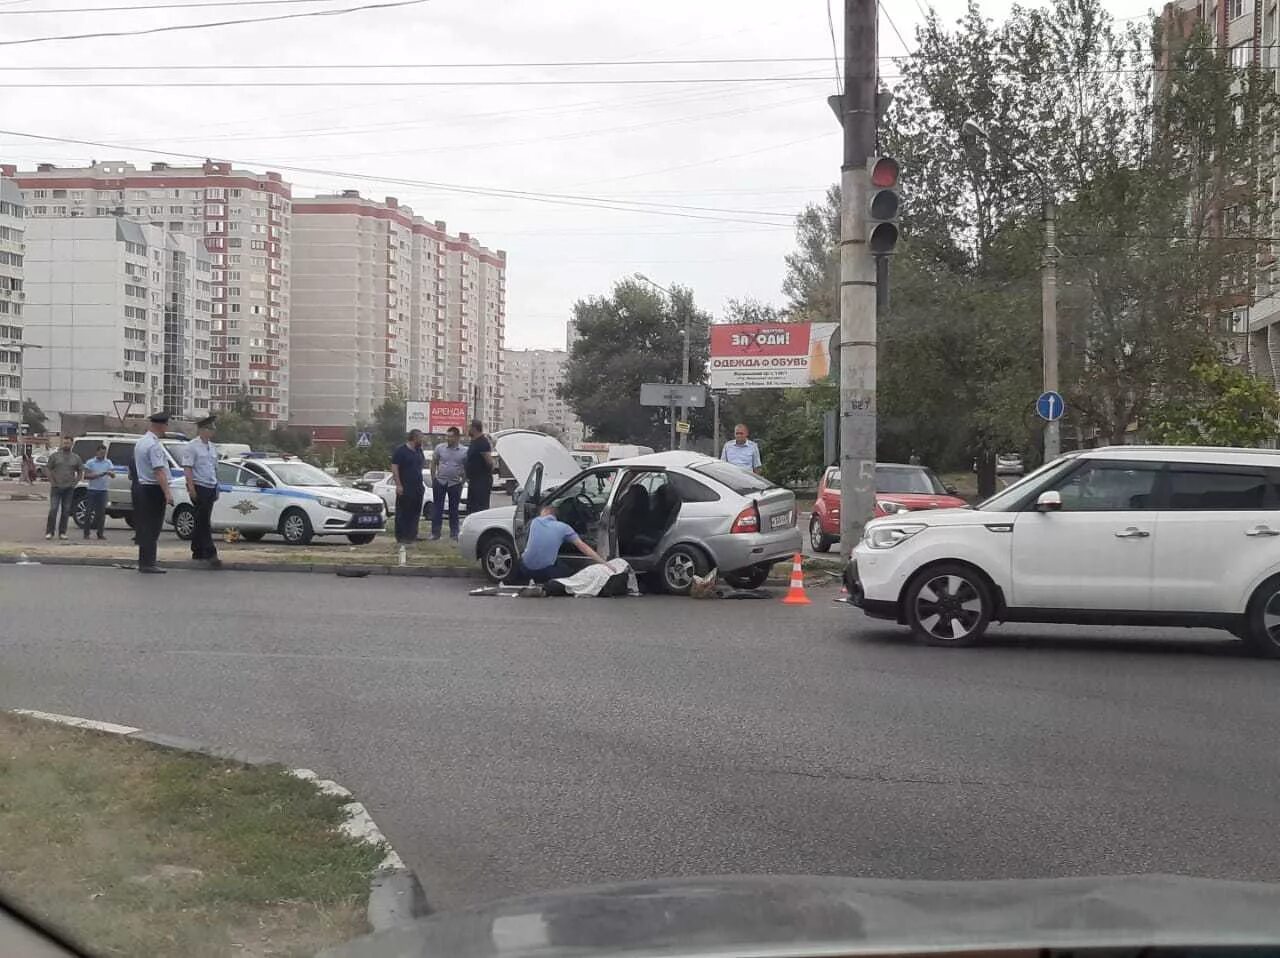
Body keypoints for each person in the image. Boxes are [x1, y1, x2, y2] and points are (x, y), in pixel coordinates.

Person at [509, 503, 608, 583]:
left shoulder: (534, 522)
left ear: (546, 512)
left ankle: (516, 582)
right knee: (572, 573)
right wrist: (604, 563)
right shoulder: (564, 527)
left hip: (525, 569)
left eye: (541, 512)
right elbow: (584, 547)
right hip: (546, 572)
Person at [133, 412, 174, 574]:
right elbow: (159, 471)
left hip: (142, 487)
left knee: (145, 526)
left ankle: (144, 561)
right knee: (153, 527)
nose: (166, 428)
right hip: (153, 489)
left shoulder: (141, 442)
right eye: (166, 425)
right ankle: (149, 562)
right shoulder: (154, 445)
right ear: (161, 425)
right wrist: (167, 493)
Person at [182, 415, 222, 569]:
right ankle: (211, 552)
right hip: (199, 486)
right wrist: (191, 487)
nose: (213, 431)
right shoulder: (192, 446)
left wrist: (217, 486)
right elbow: (188, 468)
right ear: (203, 430)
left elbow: (214, 468)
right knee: (204, 521)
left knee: (201, 519)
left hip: (211, 486)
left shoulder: (212, 447)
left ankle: (197, 550)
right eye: (211, 428)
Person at [390, 429, 426, 544]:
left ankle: (412, 535)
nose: (422, 440)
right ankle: (401, 536)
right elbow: (394, 467)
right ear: (414, 438)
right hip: (405, 486)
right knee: (403, 512)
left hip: (418, 487)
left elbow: (420, 466)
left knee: (415, 512)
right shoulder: (401, 451)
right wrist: (398, 485)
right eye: (421, 437)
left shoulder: (419, 450)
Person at [430, 426, 467, 540]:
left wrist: (463, 481)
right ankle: (435, 533)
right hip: (440, 482)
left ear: (457, 437)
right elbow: (433, 463)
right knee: (437, 508)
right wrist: (433, 478)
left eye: (450, 436)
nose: (448, 438)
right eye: (447, 436)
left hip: (455, 483)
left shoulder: (464, 451)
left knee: (454, 509)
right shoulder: (440, 448)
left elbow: (466, 467)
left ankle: (454, 533)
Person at [44, 436, 83, 541]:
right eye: (64, 443)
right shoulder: (55, 456)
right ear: (62, 444)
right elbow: (47, 468)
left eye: (68, 443)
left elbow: (80, 471)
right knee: (53, 510)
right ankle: (49, 532)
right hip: (56, 487)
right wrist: (52, 481)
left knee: (66, 511)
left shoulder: (76, 457)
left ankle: (62, 532)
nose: (66, 445)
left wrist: (75, 483)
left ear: (72, 444)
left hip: (69, 488)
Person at [82, 443, 114, 541]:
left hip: (103, 490)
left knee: (101, 514)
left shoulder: (108, 462)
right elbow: (86, 476)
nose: (102, 455)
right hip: (92, 490)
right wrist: (100, 474)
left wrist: (111, 473)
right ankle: (86, 533)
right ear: (97, 452)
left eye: (104, 453)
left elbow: (113, 475)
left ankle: (100, 534)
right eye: (101, 453)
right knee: (88, 512)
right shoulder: (90, 462)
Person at [464, 419, 494, 514]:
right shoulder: (474, 441)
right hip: (473, 481)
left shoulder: (482, 442)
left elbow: (489, 462)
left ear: (474, 428)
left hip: (481, 482)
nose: (467, 429)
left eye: (469, 427)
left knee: (480, 509)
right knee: (471, 508)